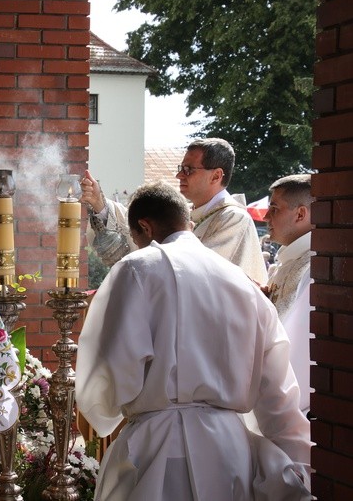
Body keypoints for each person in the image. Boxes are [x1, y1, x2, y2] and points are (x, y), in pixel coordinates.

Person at [75, 181, 311, 500]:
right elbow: (278, 392)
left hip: (157, 449)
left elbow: (115, 372)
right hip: (232, 454)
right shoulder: (243, 285)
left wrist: (104, 408)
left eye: (134, 237)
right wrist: (299, 467)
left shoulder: (136, 270)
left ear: (144, 227)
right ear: (187, 222)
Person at [81, 138, 268, 284]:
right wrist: (99, 203)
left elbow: (195, 270)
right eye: (181, 168)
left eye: (188, 170)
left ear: (216, 175)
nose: (179, 175)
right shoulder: (185, 213)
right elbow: (137, 219)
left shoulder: (233, 219)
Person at [263, 173, 313, 415]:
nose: (265, 217)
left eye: (274, 209)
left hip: (294, 402)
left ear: (301, 214)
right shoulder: (287, 261)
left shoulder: (312, 268)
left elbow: (296, 342)